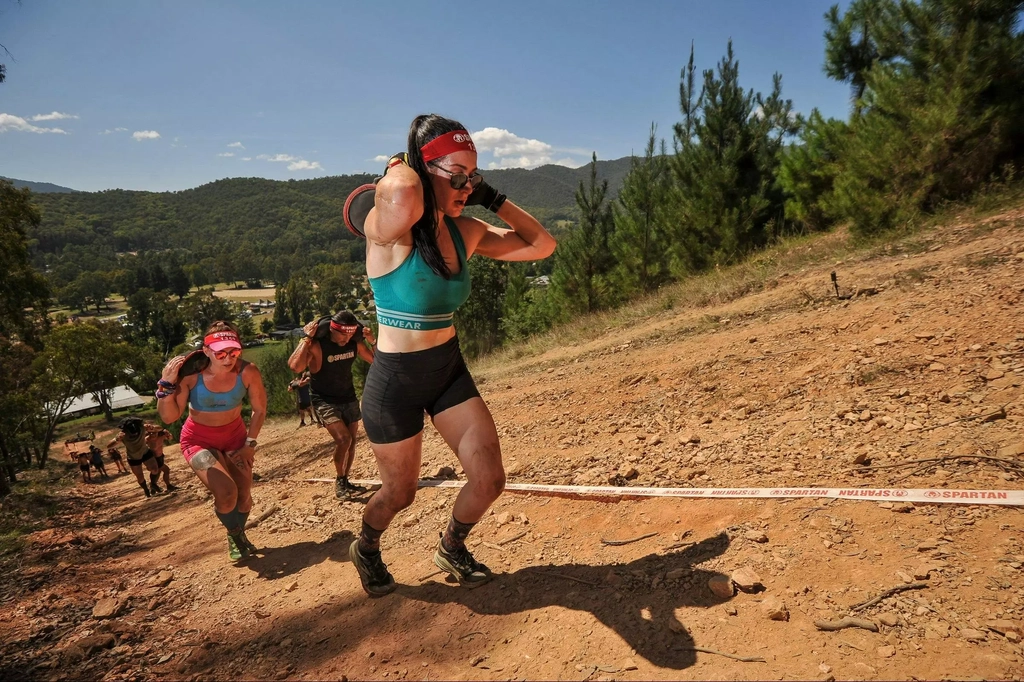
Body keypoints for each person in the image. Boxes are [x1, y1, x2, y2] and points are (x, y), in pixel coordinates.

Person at [347, 115, 556, 596]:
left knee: (488, 479)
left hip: (446, 372)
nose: (466, 185)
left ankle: (452, 546)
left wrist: (493, 198)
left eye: (473, 176)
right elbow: (399, 195)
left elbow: (542, 246)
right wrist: (406, 163)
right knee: (398, 494)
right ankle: (367, 545)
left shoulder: (467, 230)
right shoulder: (392, 232)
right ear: (422, 172)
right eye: (455, 175)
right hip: (394, 382)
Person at [156, 321, 267, 561]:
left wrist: (250, 445)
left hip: (235, 438)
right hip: (198, 439)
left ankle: (237, 534)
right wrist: (165, 385)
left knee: (244, 495)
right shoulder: (190, 376)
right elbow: (169, 417)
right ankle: (235, 535)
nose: (228, 358)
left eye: (234, 352)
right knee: (226, 493)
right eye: (220, 353)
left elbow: (259, 410)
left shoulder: (248, 372)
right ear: (206, 351)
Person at [287, 310, 375, 500]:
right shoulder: (318, 345)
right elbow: (295, 366)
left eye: (350, 334)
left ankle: (345, 480)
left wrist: (372, 341)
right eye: (342, 334)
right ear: (332, 330)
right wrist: (306, 338)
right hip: (324, 400)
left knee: (351, 442)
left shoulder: (354, 343)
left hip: (348, 397)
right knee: (343, 440)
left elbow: (376, 361)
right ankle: (340, 482)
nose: (346, 338)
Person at [114, 416, 164, 497]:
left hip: (145, 452)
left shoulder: (142, 427)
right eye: (133, 434)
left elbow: (160, 428)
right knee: (140, 477)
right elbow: (109, 445)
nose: (136, 434)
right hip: (133, 457)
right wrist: (117, 440)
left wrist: (152, 427)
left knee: (155, 469)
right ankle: (145, 489)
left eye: (137, 432)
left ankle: (153, 484)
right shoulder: (122, 435)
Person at [145, 424, 177, 491]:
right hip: (154, 458)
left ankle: (153, 486)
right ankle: (168, 485)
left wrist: (168, 434)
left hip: (160, 456)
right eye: (150, 432)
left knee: (158, 472)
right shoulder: (147, 439)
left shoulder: (161, 436)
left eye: (154, 432)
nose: (152, 434)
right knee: (166, 470)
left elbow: (170, 438)